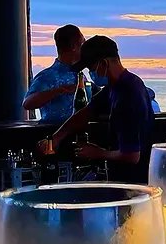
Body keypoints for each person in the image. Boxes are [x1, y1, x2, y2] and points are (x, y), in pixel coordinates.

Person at [39, 35, 154, 183]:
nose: (91, 74)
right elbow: (87, 112)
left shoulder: (128, 95)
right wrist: (56, 137)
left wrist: (98, 153)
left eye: (91, 68)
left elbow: (132, 156)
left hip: (135, 185)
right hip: (121, 180)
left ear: (104, 64)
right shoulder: (117, 86)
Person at [23, 24, 85, 122]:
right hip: (52, 133)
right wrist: (58, 91)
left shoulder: (80, 76)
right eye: (82, 44)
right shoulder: (47, 77)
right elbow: (27, 103)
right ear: (73, 46)